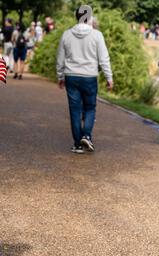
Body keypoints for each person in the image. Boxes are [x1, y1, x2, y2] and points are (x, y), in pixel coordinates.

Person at [57, 5, 113, 154]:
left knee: (74, 110)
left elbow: (60, 58)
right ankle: (87, 135)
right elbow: (104, 59)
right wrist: (109, 77)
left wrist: (60, 76)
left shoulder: (66, 34)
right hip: (89, 76)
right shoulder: (97, 35)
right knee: (90, 107)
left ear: (76, 16)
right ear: (89, 17)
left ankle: (77, 144)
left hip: (71, 76)